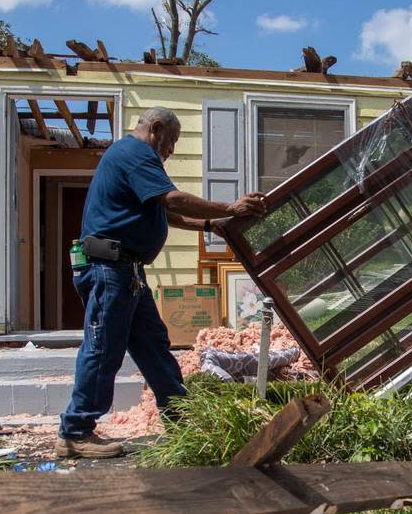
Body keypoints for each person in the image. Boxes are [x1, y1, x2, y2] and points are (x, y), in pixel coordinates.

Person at [57, 107, 265, 458]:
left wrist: (209, 225)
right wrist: (229, 208)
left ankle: (182, 420)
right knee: (103, 347)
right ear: (155, 128)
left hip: (126, 270)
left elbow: (163, 212)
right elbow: (173, 198)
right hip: (110, 267)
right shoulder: (134, 153)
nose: (172, 150)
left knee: (153, 346)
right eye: (172, 141)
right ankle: (75, 433)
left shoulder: (133, 158)